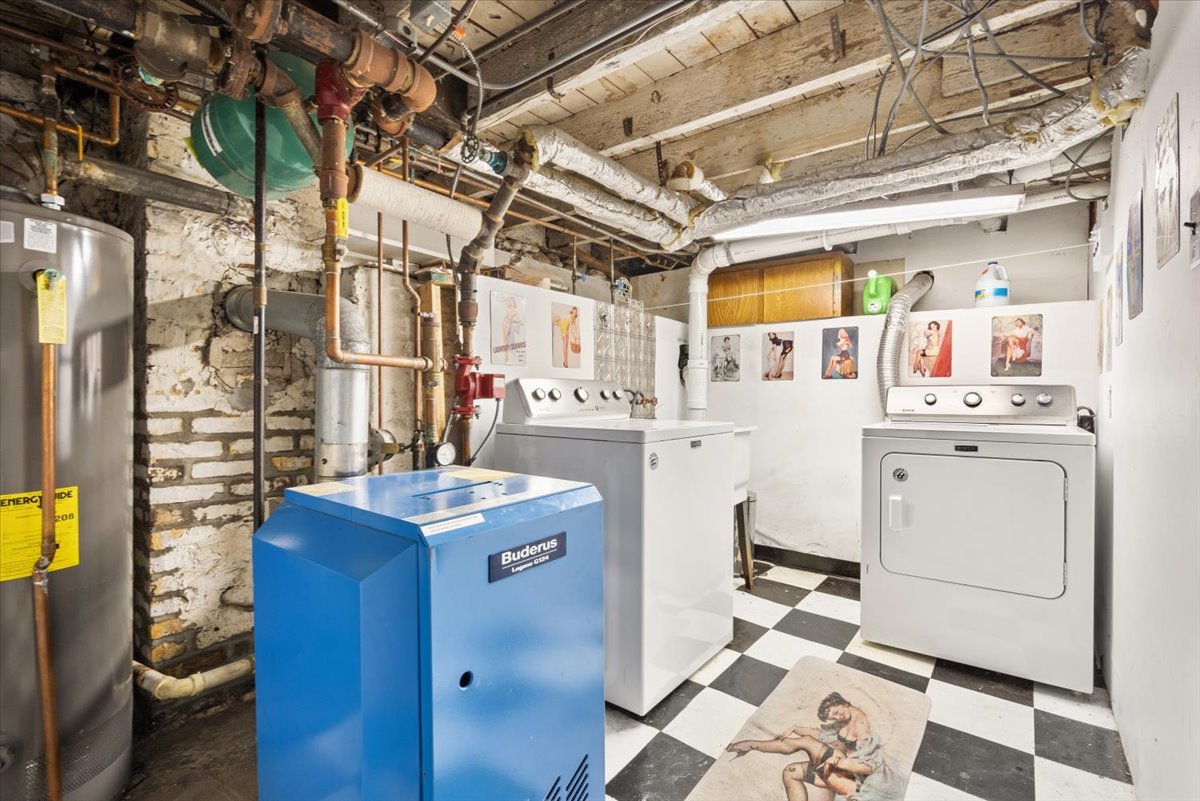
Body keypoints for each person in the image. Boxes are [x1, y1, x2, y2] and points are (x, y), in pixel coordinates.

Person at [725, 691, 901, 801]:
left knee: (807, 742)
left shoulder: (864, 726)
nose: (838, 717)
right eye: (834, 716)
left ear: (844, 703)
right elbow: (823, 734)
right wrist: (796, 728)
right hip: (840, 771)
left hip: (858, 780)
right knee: (790, 771)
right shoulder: (847, 720)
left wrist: (837, 762)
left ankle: (748, 745)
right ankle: (748, 746)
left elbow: (870, 767)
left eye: (837, 712)